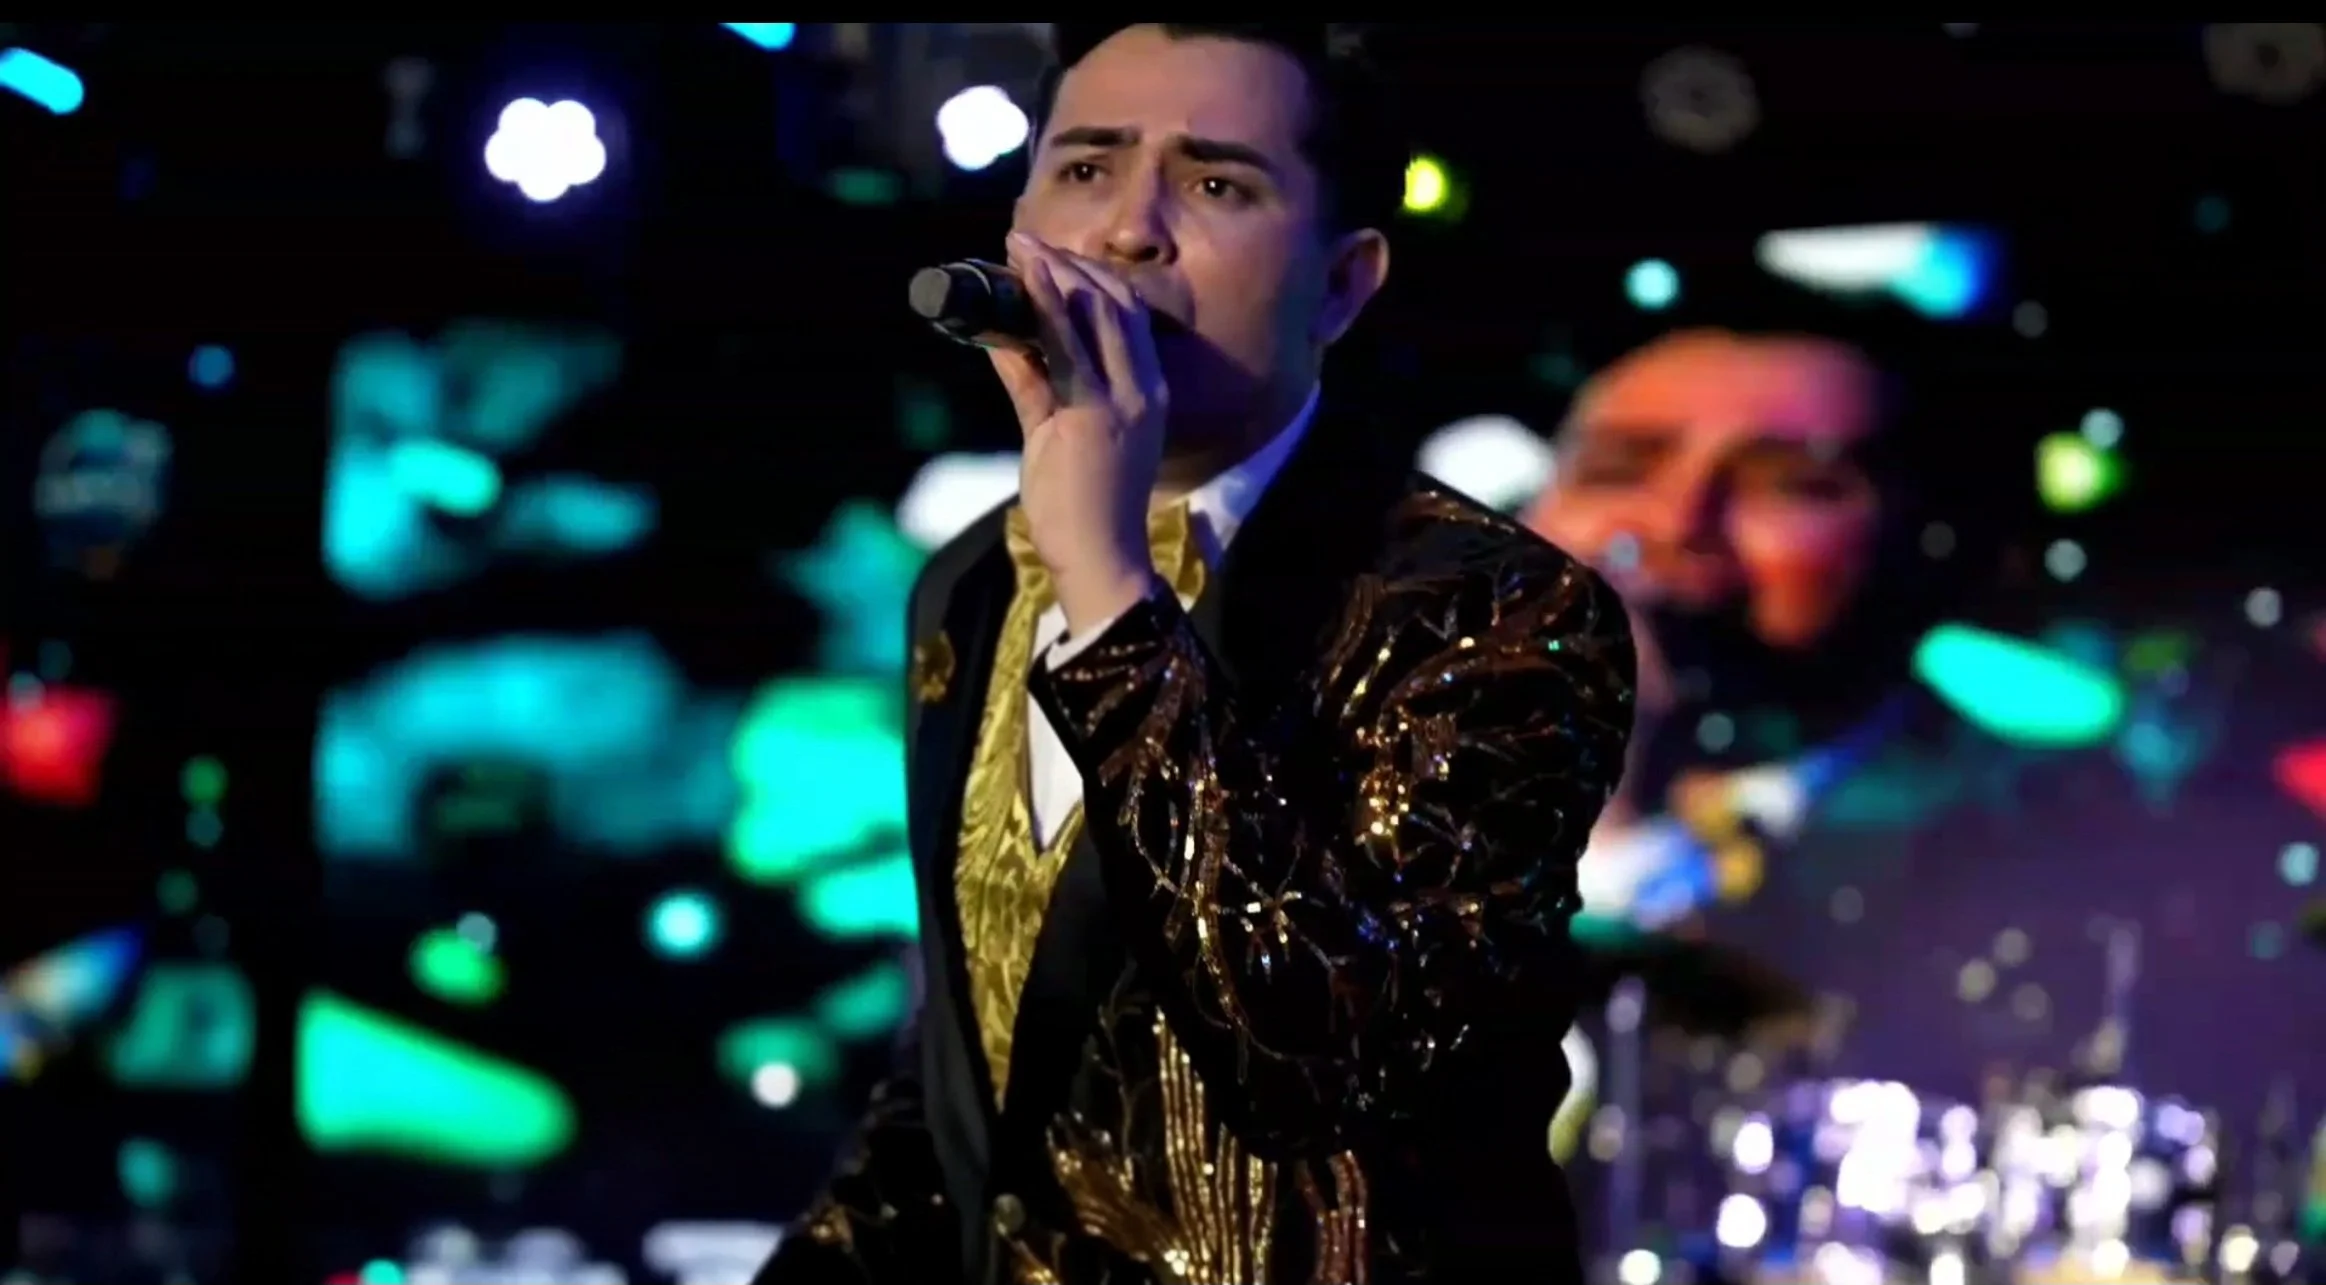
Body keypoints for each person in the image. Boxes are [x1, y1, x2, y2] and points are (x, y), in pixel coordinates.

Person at [755, 23, 1635, 1285]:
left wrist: (1110, 591)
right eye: (1085, 169)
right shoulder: (969, 586)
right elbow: (974, 1063)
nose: (1127, 232)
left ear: (1344, 283)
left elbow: (1323, 1060)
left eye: (1215, 184)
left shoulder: (1494, 608)